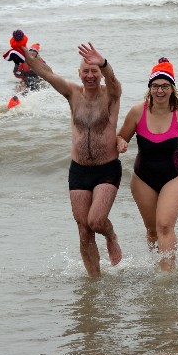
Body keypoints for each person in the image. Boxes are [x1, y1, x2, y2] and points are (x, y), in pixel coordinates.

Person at [23, 42, 124, 277]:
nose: (90, 76)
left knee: (96, 221)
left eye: (94, 71)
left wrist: (104, 63)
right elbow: (46, 73)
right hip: (79, 170)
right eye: (86, 71)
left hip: (106, 168)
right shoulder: (72, 93)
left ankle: (111, 236)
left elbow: (114, 82)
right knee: (83, 229)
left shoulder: (111, 95)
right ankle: (95, 282)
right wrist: (24, 54)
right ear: (79, 74)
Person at [116, 57, 178, 271]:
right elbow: (122, 136)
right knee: (152, 230)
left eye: (165, 86)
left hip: (175, 174)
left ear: (172, 89)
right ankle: (159, 264)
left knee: (165, 225)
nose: (160, 91)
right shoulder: (137, 111)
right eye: (155, 86)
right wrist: (121, 143)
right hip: (143, 177)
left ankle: (167, 274)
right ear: (150, 88)